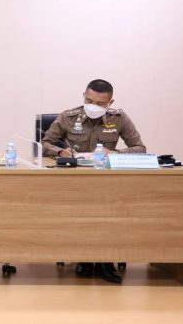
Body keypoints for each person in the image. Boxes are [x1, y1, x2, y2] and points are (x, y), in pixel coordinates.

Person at [41, 79, 146, 284]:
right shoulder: (68, 117)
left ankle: (105, 260)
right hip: (73, 181)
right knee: (82, 208)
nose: (93, 106)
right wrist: (60, 151)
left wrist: (115, 153)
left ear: (110, 103)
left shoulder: (119, 118)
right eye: (89, 101)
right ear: (84, 96)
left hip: (106, 182)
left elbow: (140, 148)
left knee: (109, 209)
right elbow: (45, 143)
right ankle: (85, 257)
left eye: (100, 103)